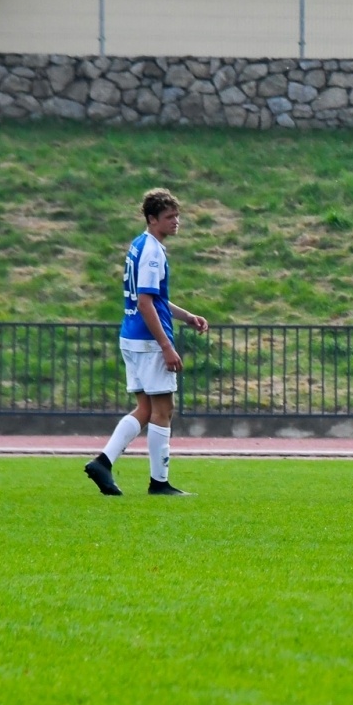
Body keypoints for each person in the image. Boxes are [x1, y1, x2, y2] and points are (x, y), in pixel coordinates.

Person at [84, 188, 209, 497]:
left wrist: (186, 316)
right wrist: (167, 346)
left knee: (144, 407)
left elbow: (155, 299)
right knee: (163, 409)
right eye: (169, 217)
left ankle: (103, 462)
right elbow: (145, 302)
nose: (176, 221)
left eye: (177, 215)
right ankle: (159, 483)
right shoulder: (153, 251)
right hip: (149, 341)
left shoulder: (139, 245)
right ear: (153, 219)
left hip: (131, 336)